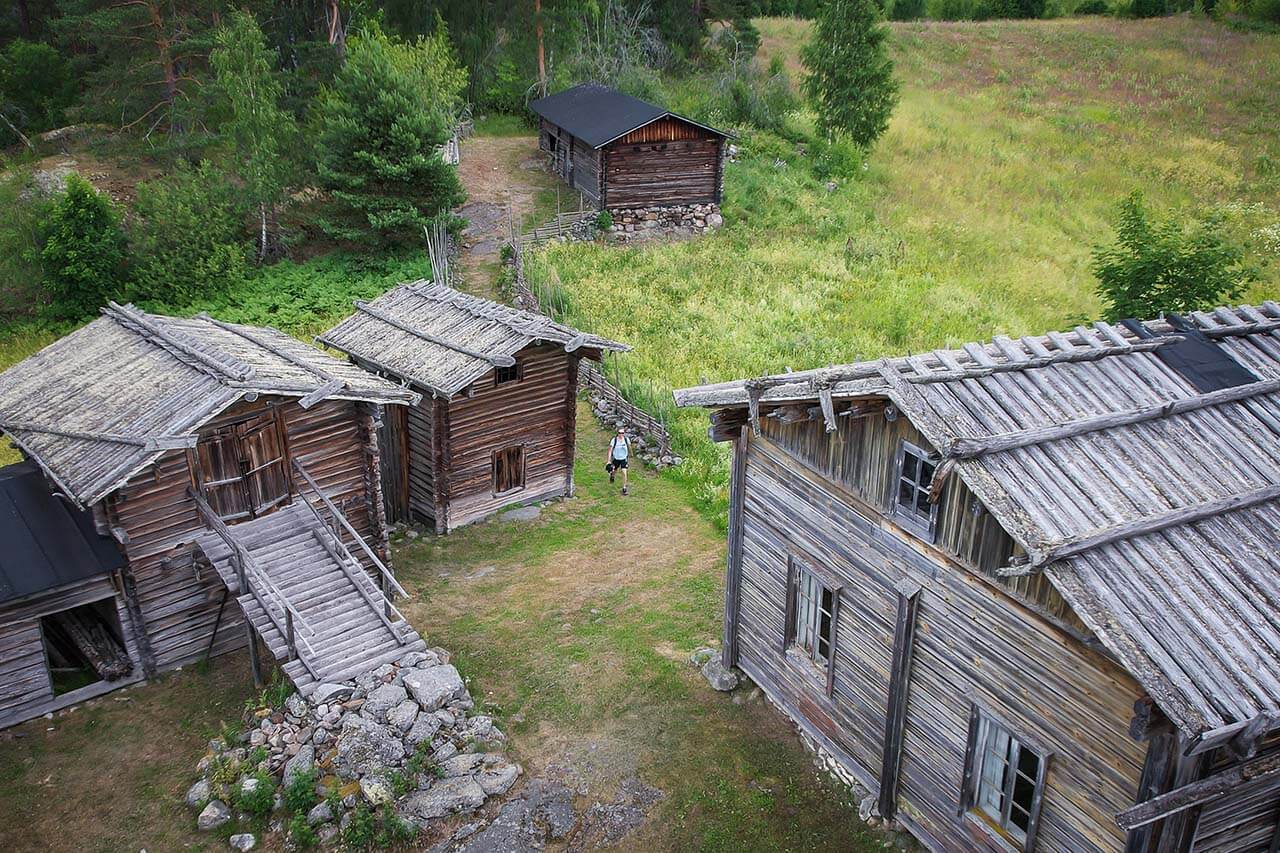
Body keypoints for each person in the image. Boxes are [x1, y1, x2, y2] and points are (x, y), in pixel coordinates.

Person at [607, 428, 631, 495]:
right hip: (616, 459)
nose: (621, 434)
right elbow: (610, 451)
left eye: (622, 433)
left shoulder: (626, 440)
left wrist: (631, 454)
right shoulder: (614, 440)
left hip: (623, 459)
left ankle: (624, 488)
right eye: (620, 433)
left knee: (624, 472)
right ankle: (612, 476)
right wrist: (609, 460)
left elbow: (629, 447)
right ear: (617, 433)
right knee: (614, 471)